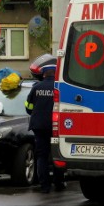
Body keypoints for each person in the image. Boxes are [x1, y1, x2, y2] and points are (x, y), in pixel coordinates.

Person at [25, 60, 64, 193]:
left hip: (39, 126)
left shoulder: (36, 87)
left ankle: (45, 186)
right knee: (57, 155)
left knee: (41, 155)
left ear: (43, 74)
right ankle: (59, 184)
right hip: (56, 126)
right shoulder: (59, 87)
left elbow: (28, 107)